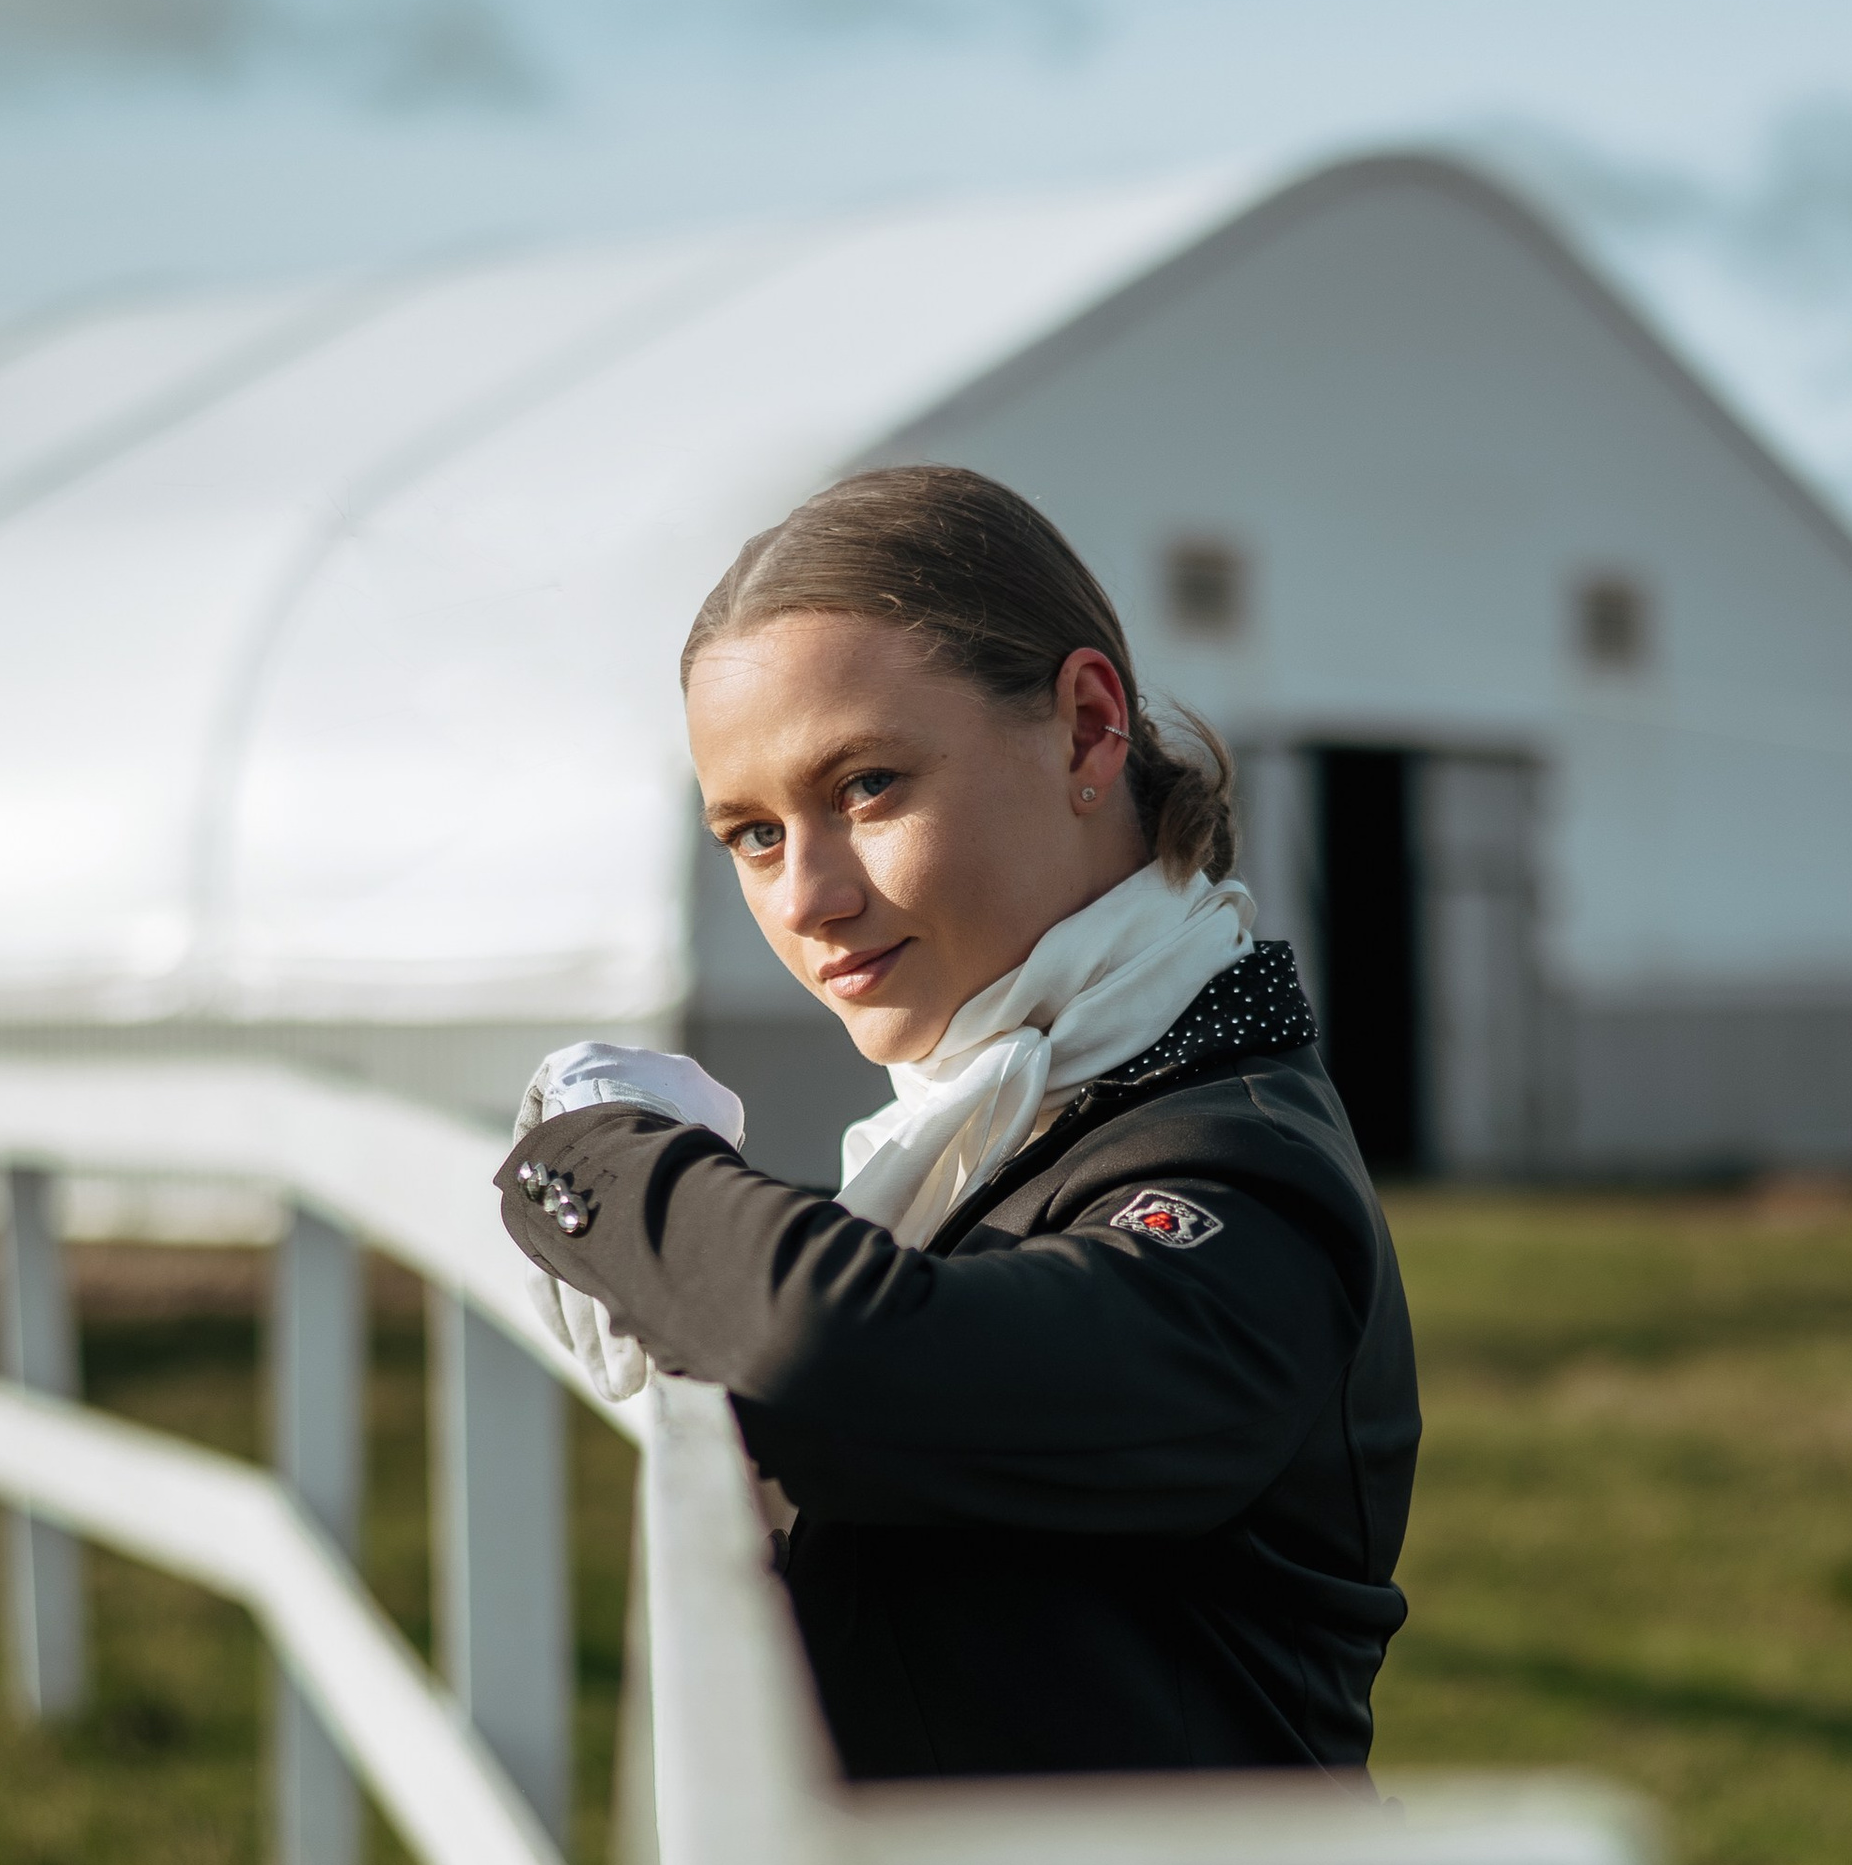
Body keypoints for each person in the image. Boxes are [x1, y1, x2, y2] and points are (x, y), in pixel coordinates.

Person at [496, 464, 1419, 1785]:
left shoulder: (1243, 1171)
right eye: (753, 835)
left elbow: (836, 1353)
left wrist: (599, 1155)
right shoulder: (993, 1119)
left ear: (1089, 731)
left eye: (867, 785)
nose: (806, 897)